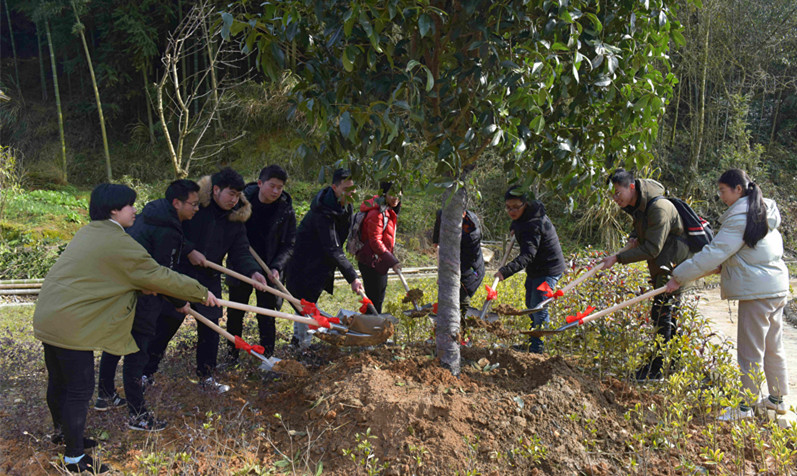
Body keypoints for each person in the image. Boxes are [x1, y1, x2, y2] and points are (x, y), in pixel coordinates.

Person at [34, 183, 216, 474]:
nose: (135, 210)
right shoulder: (119, 242)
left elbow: (113, 275)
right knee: (79, 390)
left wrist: (142, 286)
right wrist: (199, 291)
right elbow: (157, 274)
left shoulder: (89, 232)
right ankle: (74, 458)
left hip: (50, 316)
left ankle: (63, 434)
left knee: (59, 382)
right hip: (71, 324)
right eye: (130, 205)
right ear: (113, 210)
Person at [666, 169, 789, 421]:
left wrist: (679, 275)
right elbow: (747, 251)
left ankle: (744, 408)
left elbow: (715, 252)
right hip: (776, 286)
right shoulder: (763, 210)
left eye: (723, 190)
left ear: (738, 190)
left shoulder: (740, 217)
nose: (720, 196)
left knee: (750, 350)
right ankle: (776, 400)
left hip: (757, 292)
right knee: (772, 345)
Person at [144, 167, 267, 392]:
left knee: (211, 327)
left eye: (238, 194)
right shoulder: (195, 208)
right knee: (167, 323)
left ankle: (206, 378)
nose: (234, 199)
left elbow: (240, 250)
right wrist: (189, 250)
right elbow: (174, 230)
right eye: (230, 193)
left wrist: (253, 272)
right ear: (216, 190)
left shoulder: (236, 218)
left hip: (209, 278)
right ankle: (145, 372)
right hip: (180, 274)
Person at [94, 179, 201, 432]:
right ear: (177, 203)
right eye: (193, 204)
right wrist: (180, 300)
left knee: (116, 343)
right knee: (137, 352)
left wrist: (187, 250)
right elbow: (163, 274)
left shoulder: (152, 215)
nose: (196, 209)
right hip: (143, 296)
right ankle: (138, 416)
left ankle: (105, 395)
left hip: (124, 292)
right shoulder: (167, 229)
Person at [601, 168, 690, 381]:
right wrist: (633, 237)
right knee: (664, 313)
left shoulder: (658, 207)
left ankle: (658, 369)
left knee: (663, 314)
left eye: (617, 192)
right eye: (612, 194)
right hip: (662, 265)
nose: (615, 198)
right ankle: (669, 364)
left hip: (673, 267)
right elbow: (641, 229)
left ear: (631, 187)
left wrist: (618, 258)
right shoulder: (638, 207)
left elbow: (652, 248)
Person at [226, 165, 296, 368]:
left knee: (267, 313)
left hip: (270, 269)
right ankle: (232, 357)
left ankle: (267, 358)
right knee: (235, 313)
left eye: (280, 187)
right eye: (272, 186)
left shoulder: (285, 209)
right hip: (241, 264)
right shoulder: (240, 204)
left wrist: (277, 267)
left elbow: (290, 243)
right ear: (259, 183)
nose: (276, 191)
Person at [287, 168, 364, 348]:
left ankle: (298, 344)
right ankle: (301, 347)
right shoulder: (322, 211)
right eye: (346, 189)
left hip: (321, 264)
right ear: (334, 187)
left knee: (308, 306)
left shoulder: (346, 204)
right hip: (303, 264)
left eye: (353, 188)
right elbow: (332, 246)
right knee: (304, 306)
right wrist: (352, 276)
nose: (351, 193)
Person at [495, 186, 565, 354]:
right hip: (536, 269)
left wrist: (505, 271)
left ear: (525, 204)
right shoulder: (526, 215)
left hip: (549, 269)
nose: (511, 211)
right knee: (529, 303)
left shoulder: (533, 225)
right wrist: (514, 226)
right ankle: (532, 341)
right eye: (508, 207)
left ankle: (538, 348)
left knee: (538, 306)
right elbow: (519, 222)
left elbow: (527, 256)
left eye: (515, 207)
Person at [355, 181, 402, 313]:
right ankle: (370, 329)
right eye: (392, 193)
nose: (396, 197)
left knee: (377, 300)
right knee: (374, 303)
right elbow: (375, 241)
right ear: (383, 194)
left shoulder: (387, 210)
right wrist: (392, 261)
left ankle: (371, 328)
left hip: (379, 261)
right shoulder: (376, 212)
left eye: (398, 193)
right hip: (371, 262)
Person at [432, 208, 485, 311]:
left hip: (470, 268)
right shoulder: (442, 214)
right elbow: (438, 244)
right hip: (453, 259)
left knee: (462, 295)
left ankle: (464, 318)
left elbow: (463, 262)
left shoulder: (471, 233)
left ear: (463, 214)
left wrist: (446, 274)